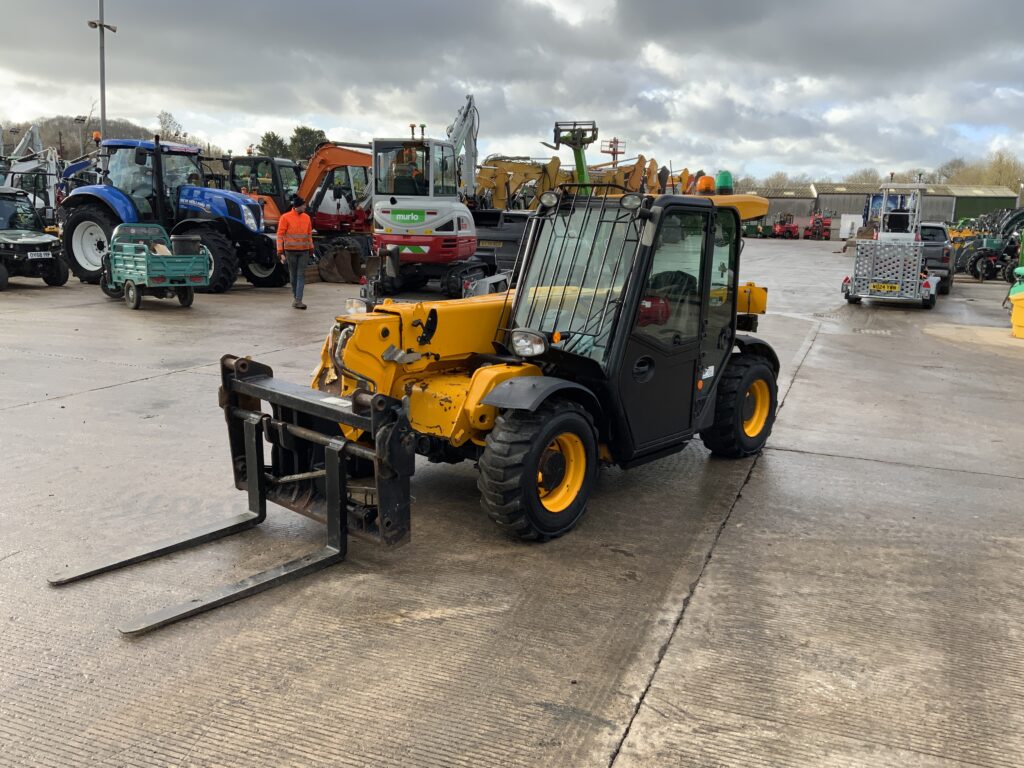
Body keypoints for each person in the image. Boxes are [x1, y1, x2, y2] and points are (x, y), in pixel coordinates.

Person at [277, 194, 314, 309]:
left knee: (300, 275)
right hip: (290, 251)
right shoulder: (285, 217)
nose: (305, 207)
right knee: (293, 277)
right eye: (304, 205)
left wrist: (311, 248)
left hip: (304, 251)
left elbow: (309, 235)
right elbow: (280, 235)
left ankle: (298, 300)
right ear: (298, 206)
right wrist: (280, 252)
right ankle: (296, 298)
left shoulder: (307, 218)